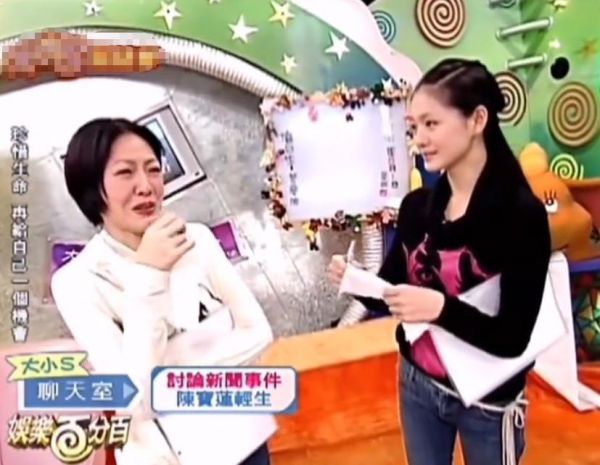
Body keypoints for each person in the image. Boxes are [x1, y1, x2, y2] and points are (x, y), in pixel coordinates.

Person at [327, 58, 551, 465]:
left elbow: (512, 337)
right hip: (418, 384)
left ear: (477, 119)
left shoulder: (522, 217)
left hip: (487, 401)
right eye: (414, 128)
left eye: (431, 124)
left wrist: (440, 309)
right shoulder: (417, 207)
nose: (419, 140)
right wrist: (357, 281)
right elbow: (392, 290)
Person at [51, 118, 276, 465]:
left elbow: (258, 332)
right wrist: (148, 273)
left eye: (153, 169)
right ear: (92, 188)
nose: (146, 186)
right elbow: (133, 397)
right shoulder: (75, 281)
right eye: (125, 173)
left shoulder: (197, 238)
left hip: (241, 440)